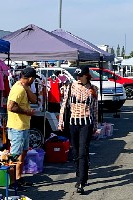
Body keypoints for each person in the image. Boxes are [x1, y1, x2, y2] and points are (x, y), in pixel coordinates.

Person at [58, 65, 99, 194]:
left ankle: (81, 181)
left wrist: (96, 126)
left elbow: (95, 109)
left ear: (87, 75)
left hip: (86, 123)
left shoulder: (93, 89)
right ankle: (81, 173)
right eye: (77, 75)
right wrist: (61, 122)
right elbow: (64, 105)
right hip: (73, 122)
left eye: (80, 75)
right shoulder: (70, 86)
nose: (78, 78)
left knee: (83, 151)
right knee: (75, 151)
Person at [6, 67, 40, 192]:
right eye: (34, 79)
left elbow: (34, 100)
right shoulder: (18, 89)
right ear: (30, 78)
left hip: (23, 126)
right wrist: (26, 111)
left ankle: (18, 178)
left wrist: (27, 88)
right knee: (14, 156)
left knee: (23, 153)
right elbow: (10, 106)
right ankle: (11, 182)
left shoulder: (24, 87)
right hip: (17, 127)